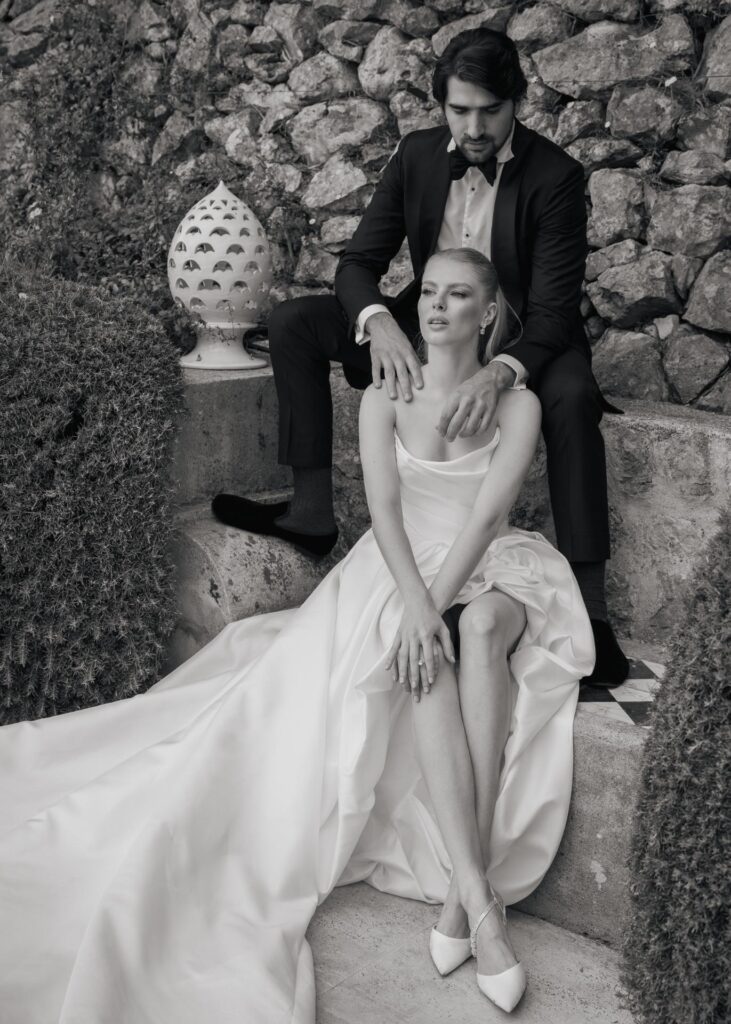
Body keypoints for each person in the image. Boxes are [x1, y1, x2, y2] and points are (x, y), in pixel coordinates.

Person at [0, 247, 594, 1022]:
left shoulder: (516, 406)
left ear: (488, 314)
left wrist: (431, 609)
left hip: (493, 564)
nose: (437, 307)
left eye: (458, 297)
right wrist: (416, 607)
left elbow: (486, 517)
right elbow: (382, 512)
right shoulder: (383, 397)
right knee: (430, 653)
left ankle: (465, 885)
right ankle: (473, 897)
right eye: (430, 295)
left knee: (480, 624)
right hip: (400, 565)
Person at [212, 27, 628, 687]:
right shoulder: (416, 157)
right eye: (458, 110)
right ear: (441, 106)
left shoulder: (555, 176)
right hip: (425, 322)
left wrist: (498, 373)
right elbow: (357, 265)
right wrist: (379, 324)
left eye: (488, 111)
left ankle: (593, 611)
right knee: (294, 322)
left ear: (514, 101)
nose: (472, 126)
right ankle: (311, 509)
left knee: (573, 397)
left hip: (527, 335)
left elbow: (551, 310)